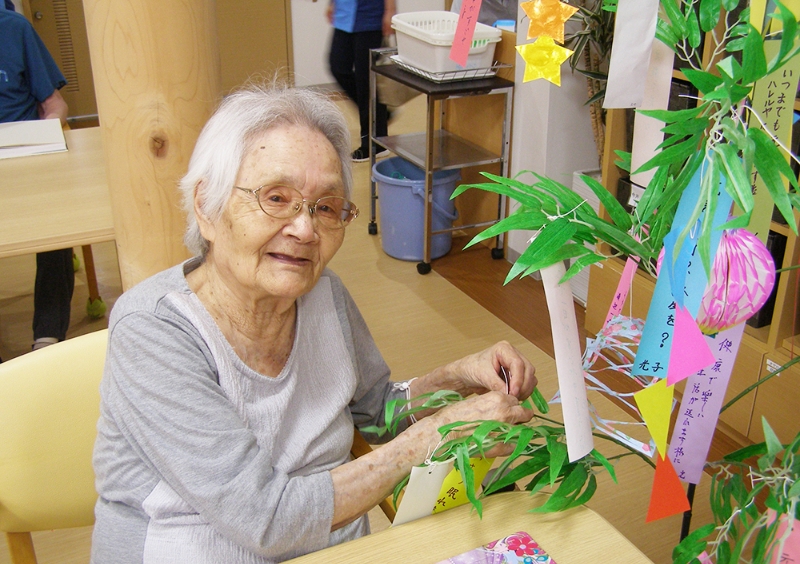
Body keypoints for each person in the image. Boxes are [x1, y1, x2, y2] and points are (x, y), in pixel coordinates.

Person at [91, 83, 538, 563]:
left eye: (326, 207)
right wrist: (439, 435)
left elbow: (377, 412)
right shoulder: (152, 331)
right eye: (276, 198)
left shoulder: (325, 296)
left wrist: (457, 379)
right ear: (207, 206)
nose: (305, 229)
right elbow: (264, 518)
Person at [0, 6, 74, 351]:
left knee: (58, 226)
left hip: (24, 152)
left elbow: (54, 104)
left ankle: (47, 335)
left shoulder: (13, 27)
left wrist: (42, 137)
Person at [327, 0, 393, 162]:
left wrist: (390, 10)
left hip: (369, 17)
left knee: (365, 81)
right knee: (338, 67)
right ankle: (380, 116)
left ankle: (373, 144)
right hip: (344, 14)